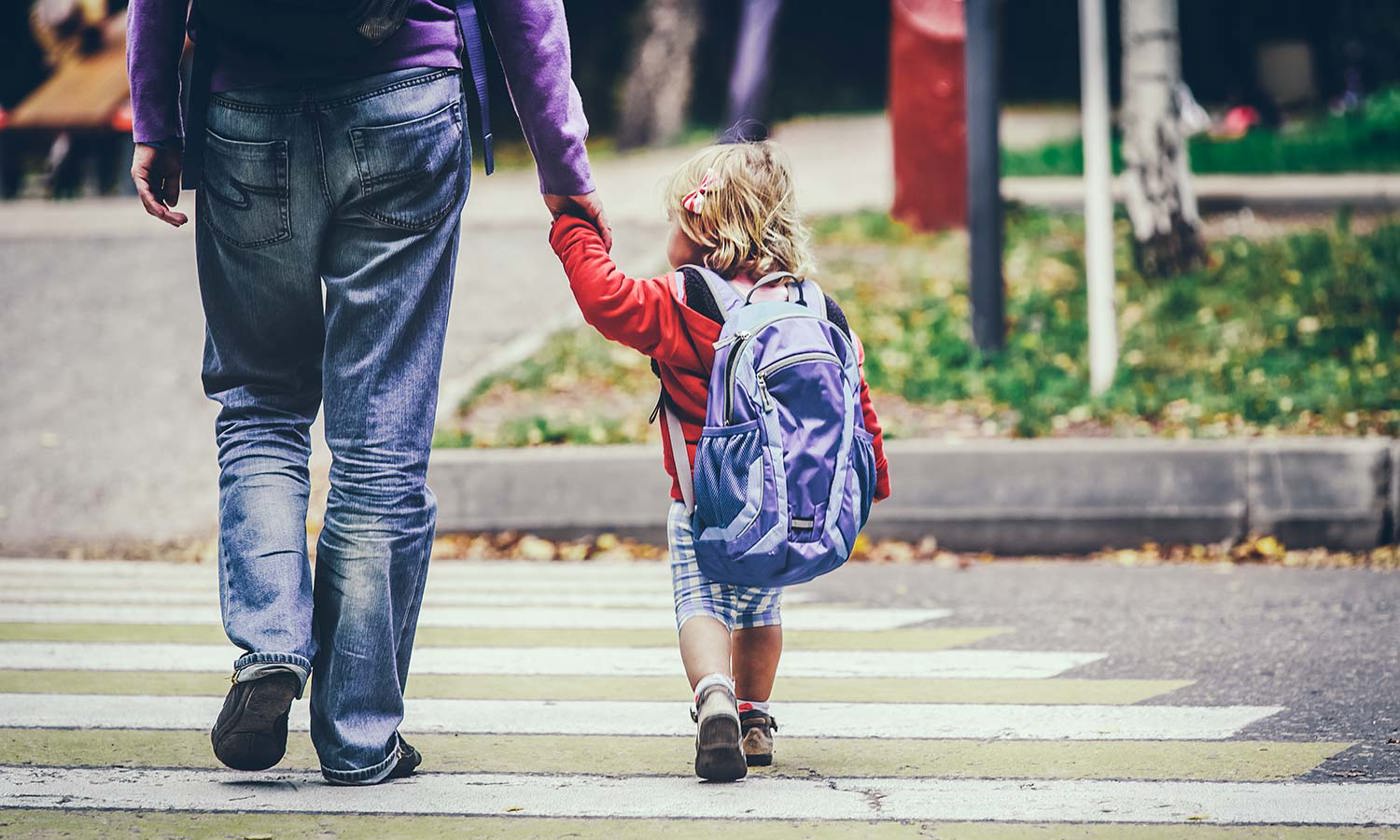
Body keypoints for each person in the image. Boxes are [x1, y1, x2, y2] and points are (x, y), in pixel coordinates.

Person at [126, 0, 608, 786]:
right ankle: (358, 736)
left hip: (245, 108)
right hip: (407, 103)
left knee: (260, 399)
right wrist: (563, 166)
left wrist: (156, 118)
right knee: (380, 437)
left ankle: (272, 647)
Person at [549, 140, 891, 780]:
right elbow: (852, 393)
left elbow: (604, 298)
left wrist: (573, 229)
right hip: (783, 501)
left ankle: (714, 699)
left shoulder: (686, 300)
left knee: (699, 602)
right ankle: (757, 716)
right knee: (761, 608)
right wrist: (872, 473)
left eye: (673, 222)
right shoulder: (815, 307)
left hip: (703, 499)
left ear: (701, 227)